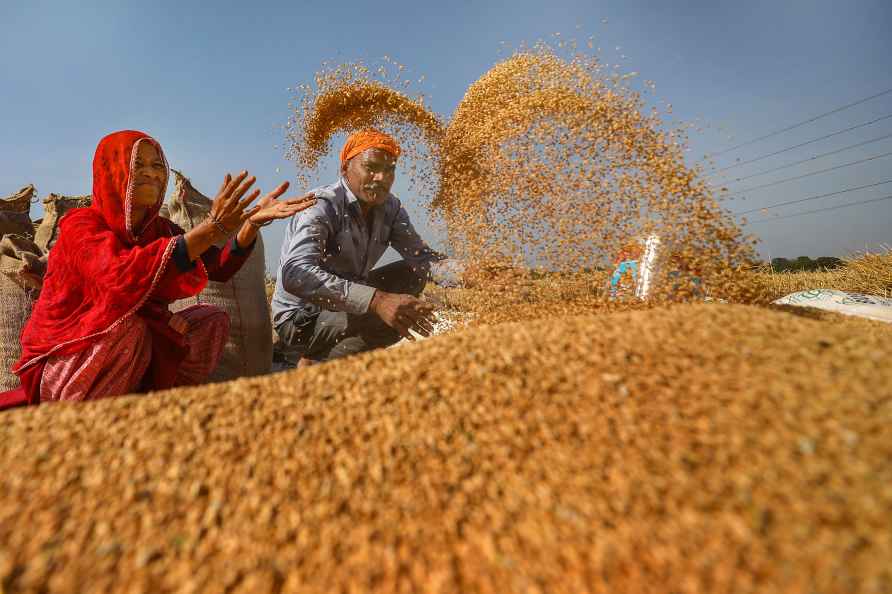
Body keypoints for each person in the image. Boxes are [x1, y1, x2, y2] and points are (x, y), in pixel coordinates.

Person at [1, 129, 315, 408]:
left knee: (211, 320)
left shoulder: (160, 229)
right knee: (130, 327)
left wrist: (249, 226)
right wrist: (210, 228)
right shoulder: (80, 226)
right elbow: (118, 278)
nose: (152, 174)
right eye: (138, 165)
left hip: (128, 347)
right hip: (67, 362)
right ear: (114, 173)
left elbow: (214, 268)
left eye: (156, 165)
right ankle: (95, 420)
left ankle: (159, 408)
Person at [272, 129, 440, 366]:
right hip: (301, 319)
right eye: (371, 168)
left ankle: (321, 359)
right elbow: (295, 274)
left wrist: (473, 273)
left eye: (389, 169)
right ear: (345, 169)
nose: (381, 178)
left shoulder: (390, 208)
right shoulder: (321, 206)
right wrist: (378, 301)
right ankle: (314, 361)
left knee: (410, 274)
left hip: (349, 307)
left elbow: (422, 258)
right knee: (391, 314)